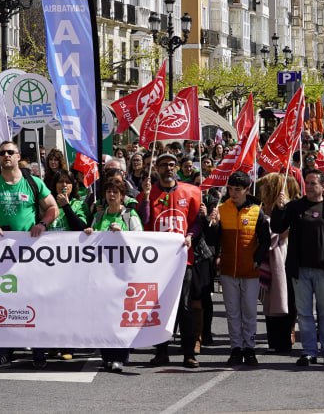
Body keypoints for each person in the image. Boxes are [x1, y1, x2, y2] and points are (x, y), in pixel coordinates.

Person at [0, 141, 58, 369]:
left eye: (10, 152)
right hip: (1, 254)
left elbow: (52, 208)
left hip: (29, 254)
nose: (6, 156)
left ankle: (38, 353)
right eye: (2, 153)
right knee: (1, 302)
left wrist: (42, 223)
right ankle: (1, 353)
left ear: (18, 155)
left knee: (33, 301)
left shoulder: (32, 182)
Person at [270, 168, 324, 368]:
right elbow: (278, 228)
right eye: (307, 182)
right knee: (304, 313)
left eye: (314, 183)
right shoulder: (295, 206)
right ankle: (308, 352)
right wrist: (279, 209)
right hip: (301, 269)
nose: (310, 186)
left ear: (323, 185)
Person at [141, 151, 204, 368]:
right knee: (160, 307)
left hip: (182, 261)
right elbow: (144, 221)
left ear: (176, 167)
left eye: (171, 164)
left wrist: (190, 236)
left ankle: (188, 353)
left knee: (185, 307)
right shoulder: (147, 193)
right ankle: (161, 352)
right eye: (163, 165)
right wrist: (147, 197)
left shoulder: (192, 191)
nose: (168, 168)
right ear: (156, 169)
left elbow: (196, 222)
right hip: (157, 263)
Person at [206, 170, 269, 367]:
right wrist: (213, 225)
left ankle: (249, 347)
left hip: (250, 270)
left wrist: (257, 260)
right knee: (232, 311)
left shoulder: (257, 211)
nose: (233, 193)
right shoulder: (222, 209)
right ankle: (235, 348)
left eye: (238, 190)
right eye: (231, 189)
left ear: (247, 190)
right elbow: (213, 240)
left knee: (249, 311)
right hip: (228, 270)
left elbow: (265, 240)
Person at [86, 177, 144, 372]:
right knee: (103, 317)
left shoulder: (130, 215)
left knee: (120, 317)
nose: (111, 195)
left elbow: (141, 242)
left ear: (122, 196)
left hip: (122, 275)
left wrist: (123, 233)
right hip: (102, 275)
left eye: (115, 192)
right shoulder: (99, 217)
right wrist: (88, 233)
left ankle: (120, 356)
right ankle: (106, 356)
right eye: (109, 192)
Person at [257, 171, 299, 353]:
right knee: (270, 300)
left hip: (282, 256)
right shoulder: (261, 208)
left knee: (283, 297)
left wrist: (281, 211)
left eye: (265, 187)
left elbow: (282, 232)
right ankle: (273, 339)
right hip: (269, 257)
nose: (261, 191)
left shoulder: (288, 207)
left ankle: (284, 338)